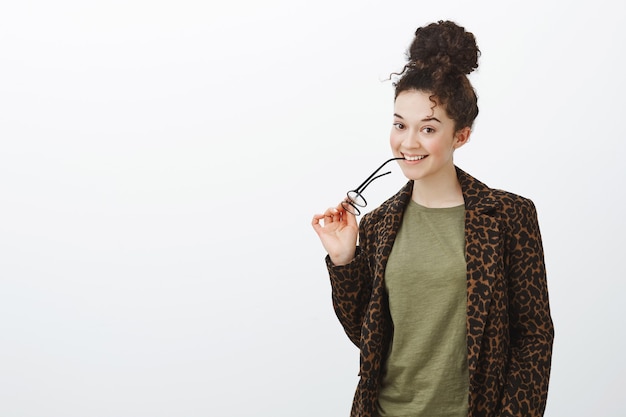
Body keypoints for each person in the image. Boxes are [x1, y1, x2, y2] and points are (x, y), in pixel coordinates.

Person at [311, 20, 554, 417]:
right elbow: (368, 337)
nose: (408, 142)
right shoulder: (378, 224)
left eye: (428, 128)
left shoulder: (509, 216)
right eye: (399, 124)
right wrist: (344, 260)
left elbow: (533, 338)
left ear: (461, 135)